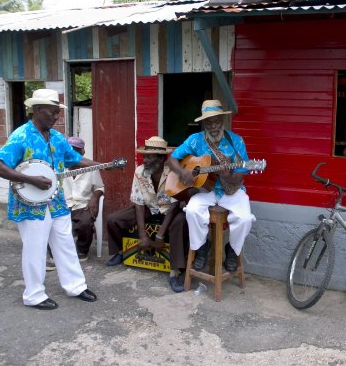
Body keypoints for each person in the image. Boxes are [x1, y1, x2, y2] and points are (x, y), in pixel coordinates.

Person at [0, 89, 100, 310]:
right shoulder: (21, 136)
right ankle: (34, 295)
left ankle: (75, 286)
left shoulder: (57, 137)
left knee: (65, 243)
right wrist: (29, 178)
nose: (56, 116)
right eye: (53, 112)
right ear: (38, 110)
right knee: (35, 247)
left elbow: (73, 160)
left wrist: (103, 164)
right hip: (29, 203)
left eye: (58, 112)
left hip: (56, 200)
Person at [168, 100, 256, 273]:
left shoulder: (236, 141)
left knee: (245, 218)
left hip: (230, 190)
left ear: (222, 121)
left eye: (217, 121)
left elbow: (240, 172)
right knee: (192, 210)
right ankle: (202, 247)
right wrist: (182, 172)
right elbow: (172, 159)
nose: (213, 126)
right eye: (209, 122)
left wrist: (227, 175)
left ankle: (232, 250)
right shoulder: (195, 140)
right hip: (205, 190)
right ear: (204, 123)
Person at [105, 136, 189, 293]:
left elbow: (173, 205)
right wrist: (143, 236)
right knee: (113, 220)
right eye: (144, 156)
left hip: (170, 209)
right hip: (149, 208)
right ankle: (121, 252)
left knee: (180, 223)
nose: (145, 160)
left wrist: (159, 236)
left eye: (149, 156)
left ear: (162, 158)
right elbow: (138, 203)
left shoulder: (173, 172)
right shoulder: (140, 171)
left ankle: (175, 271)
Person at [63, 136, 105, 261]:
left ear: (82, 152)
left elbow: (100, 187)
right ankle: (55, 253)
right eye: (70, 150)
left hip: (82, 204)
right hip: (63, 204)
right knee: (52, 223)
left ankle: (82, 249)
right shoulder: (60, 166)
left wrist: (95, 198)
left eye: (77, 150)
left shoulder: (90, 167)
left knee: (85, 223)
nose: (73, 153)